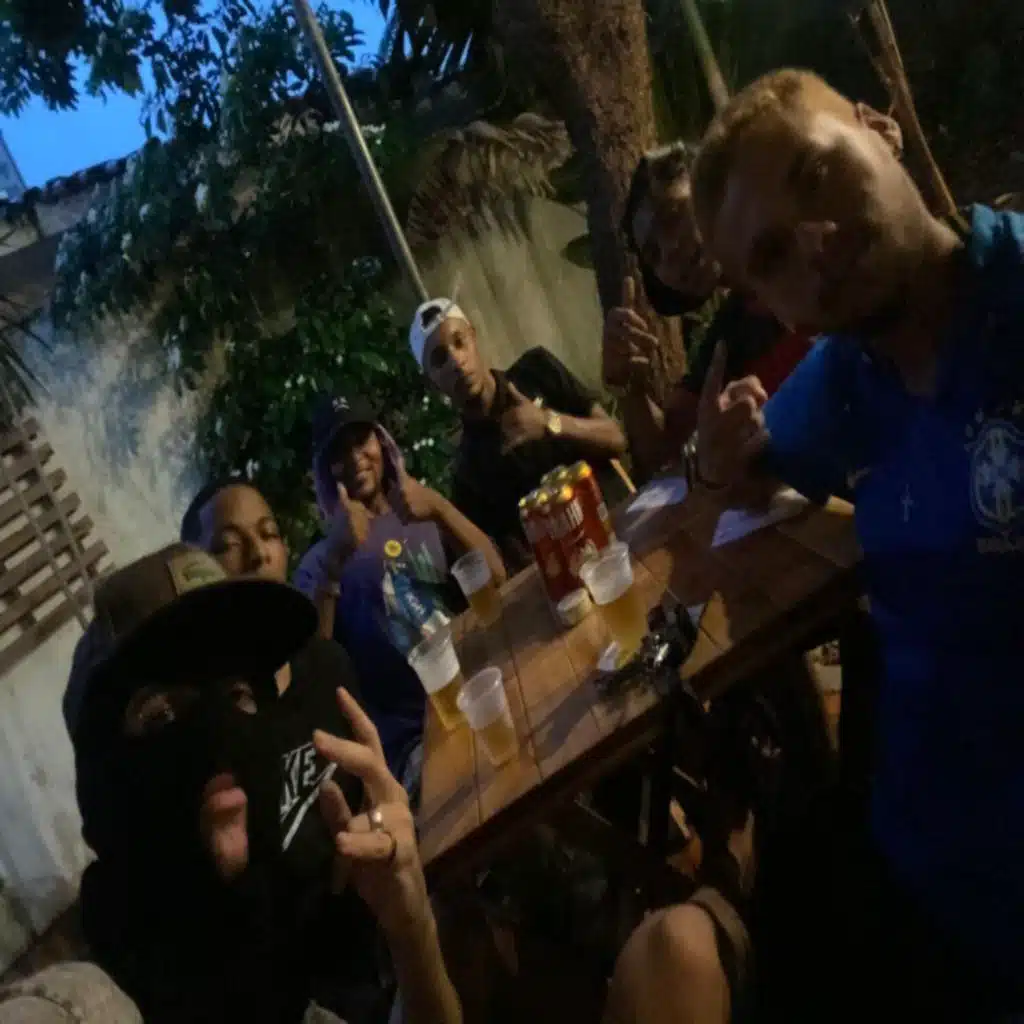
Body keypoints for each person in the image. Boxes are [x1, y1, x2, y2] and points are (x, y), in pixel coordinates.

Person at [670, 68, 1024, 1019]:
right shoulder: (844, 378)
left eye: (817, 173)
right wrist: (718, 459)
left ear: (882, 128)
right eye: (773, 255)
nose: (816, 242)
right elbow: (751, 463)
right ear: (774, 307)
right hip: (912, 859)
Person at [74, 542, 461, 1024]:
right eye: (160, 714)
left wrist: (412, 928)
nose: (216, 734)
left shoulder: (299, 890)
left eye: (234, 693)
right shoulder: (120, 972)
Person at [294, 394, 505, 785]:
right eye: (339, 452)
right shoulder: (316, 563)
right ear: (325, 471)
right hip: (414, 744)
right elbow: (312, 680)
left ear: (381, 442)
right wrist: (335, 561)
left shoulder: (422, 510)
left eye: (362, 441)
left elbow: (495, 576)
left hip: (483, 686)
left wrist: (440, 508)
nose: (355, 457)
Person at [603, 141, 812, 474]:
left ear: (714, 186)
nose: (670, 253)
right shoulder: (729, 334)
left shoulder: (811, 240)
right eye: (653, 255)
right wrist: (629, 385)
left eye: (672, 217)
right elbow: (663, 452)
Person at [410, 300, 629, 566]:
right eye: (439, 360)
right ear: (432, 382)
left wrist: (549, 422)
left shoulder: (537, 370)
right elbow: (517, 561)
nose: (456, 360)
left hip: (623, 529)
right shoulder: (468, 471)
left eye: (459, 342)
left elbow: (616, 437)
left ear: (473, 336)